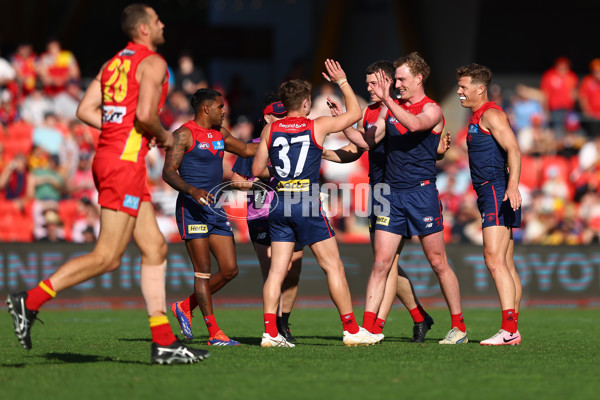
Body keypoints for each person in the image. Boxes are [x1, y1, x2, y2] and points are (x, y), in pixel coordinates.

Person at [6, 3, 208, 364]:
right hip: (124, 163)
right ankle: (29, 300)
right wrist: (163, 136)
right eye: (158, 20)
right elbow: (146, 115)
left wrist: (119, 129)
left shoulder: (112, 63)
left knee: (155, 249)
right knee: (108, 257)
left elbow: (85, 110)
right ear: (144, 30)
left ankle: (163, 343)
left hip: (111, 157)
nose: (163, 25)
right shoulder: (154, 62)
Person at [252, 59, 377, 347]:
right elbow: (355, 113)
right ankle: (350, 330)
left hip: (279, 201)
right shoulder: (316, 125)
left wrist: (285, 173)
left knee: (276, 271)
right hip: (306, 201)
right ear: (307, 103)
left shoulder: (271, 130)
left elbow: (258, 170)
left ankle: (270, 333)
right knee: (333, 267)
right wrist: (343, 81)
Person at [322, 60, 446, 343]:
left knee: (386, 263)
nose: (369, 88)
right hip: (377, 192)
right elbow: (357, 149)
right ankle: (418, 317)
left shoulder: (393, 112)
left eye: (373, 83)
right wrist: (322, 153)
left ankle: (375, 328)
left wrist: (438, 150)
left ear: (389, 82)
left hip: (398, 193)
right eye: (366, 84)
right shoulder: (369, 112)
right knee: (386, 263)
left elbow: (419, 142)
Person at [367, 52, 468, 344]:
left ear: (418, 78)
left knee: (438, 263)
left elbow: (414, 125)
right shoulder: (393, 107)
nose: (397, 83)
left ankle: (458, 327)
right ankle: (367, 328)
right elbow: (370, 141)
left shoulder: (433, 109)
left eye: (401, 78)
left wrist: (387, 100)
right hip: (391, 195)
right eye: (395, 79)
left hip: (421, 194)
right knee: (381, 263)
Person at [164, 88, 258, 346]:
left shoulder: (220, 134)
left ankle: (184, 306)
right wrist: (192, 190)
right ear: (206, 108)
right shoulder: (183, 135)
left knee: (230, 270)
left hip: (216, 208)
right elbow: (168, 172)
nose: (224, 111)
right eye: (220, 107)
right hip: (191, 209)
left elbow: (248, 150)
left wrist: (278, 140)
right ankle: (215, 333)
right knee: (203, 272)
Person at [456, 63, 523, 345]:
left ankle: (509, 330)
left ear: (479, 89)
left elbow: (514, 149)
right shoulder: (476, 118)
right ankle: (512, 327)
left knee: (493, 259)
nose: (459, 91)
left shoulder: (491, 114)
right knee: (505, 262)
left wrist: (512, 186)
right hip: (491, 192)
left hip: (496, 190)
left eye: (463, 87)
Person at [230, 94, 303, 343]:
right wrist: (258, 186)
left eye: (285, 115)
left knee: (293, 269)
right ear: (266, 118)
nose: (283, 119)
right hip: (261, 214)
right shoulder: (252, 145)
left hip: (293, 210)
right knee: (273, 270)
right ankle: (274, 327)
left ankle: (283, 320)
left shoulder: (295, 142)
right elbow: (236, 181)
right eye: (278, 116)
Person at [578, 58, 600, 138]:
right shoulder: (588, 81)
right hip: (593, 117)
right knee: (593, 137)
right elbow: (583, 97)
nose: (597, 73)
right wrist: (587, 111)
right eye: (595, 70)